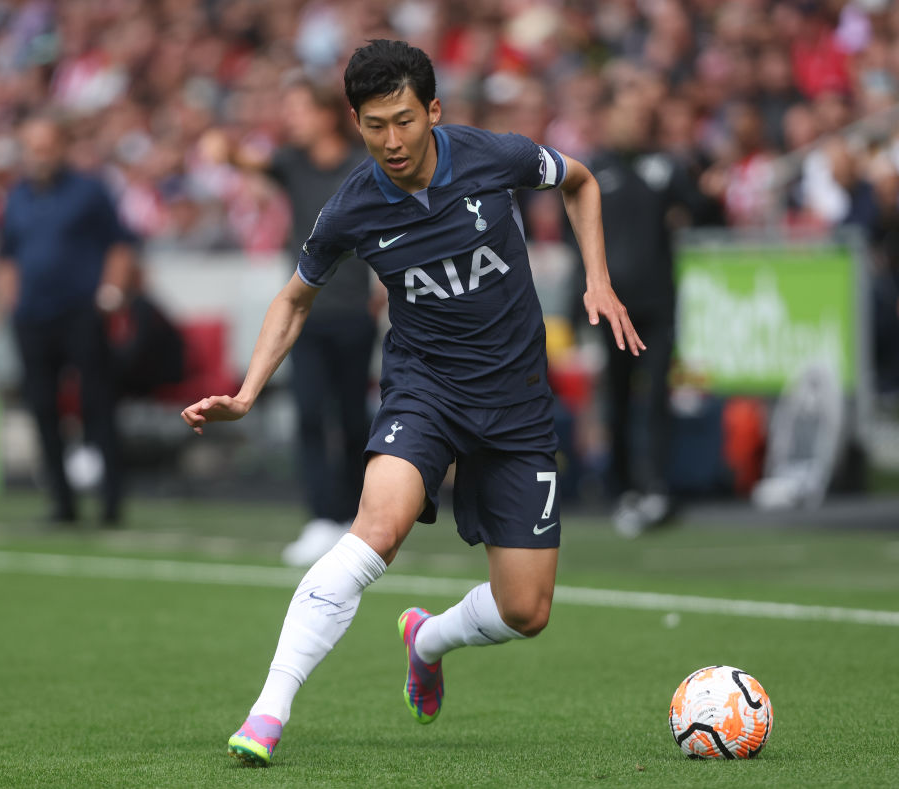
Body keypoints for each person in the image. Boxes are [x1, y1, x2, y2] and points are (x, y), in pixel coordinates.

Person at [181, 40, 643, 767]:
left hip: (517, 399)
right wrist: (245, 392)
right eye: (373, 125)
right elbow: (294, 299)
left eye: (402, 120)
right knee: (378, 526)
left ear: (433, 110)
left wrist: (598, 278)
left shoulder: (493, 156)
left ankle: (425, 639)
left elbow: (579, 181)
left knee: (527, 609)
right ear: (355, 123)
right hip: (424, 389)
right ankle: (268, 710)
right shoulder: (351, 208)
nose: (391, 141)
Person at [570, 91, 715, 537]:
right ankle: (621, 486)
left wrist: (704, 182)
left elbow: (704, 212)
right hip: (612, 306)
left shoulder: (665, 166)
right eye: (624, 115)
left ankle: (655, 487)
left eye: (639, 117)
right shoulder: (593, 169)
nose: (632, 124)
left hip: (655, 304)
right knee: (614, 397)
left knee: (654, 398)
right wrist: (581, 300)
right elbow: (576, 238)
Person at [263, 77, 380, 567]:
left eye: (299, 108)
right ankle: (320, 517)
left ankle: (352, 520)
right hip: (307, 313)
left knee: (353, 420)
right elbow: (249, 163)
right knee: (310, 415)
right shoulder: (290, 164)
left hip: (355, 312)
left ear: (327, 114)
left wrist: (382, 290)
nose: (291, 118)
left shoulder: (364, 166)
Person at [0, 115, 136, 525]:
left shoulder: (89, 191)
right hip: (33, 317)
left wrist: (110, 292)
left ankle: (111, 502)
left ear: (61, 147)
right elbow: (7, 255)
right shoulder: (17, 196)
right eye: (32, 147)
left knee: (97, 404)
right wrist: (11, 302)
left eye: (46, 146)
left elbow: (120, 245)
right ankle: (62, 502)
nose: (39, 156)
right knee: (42, 408)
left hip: (80, 311)